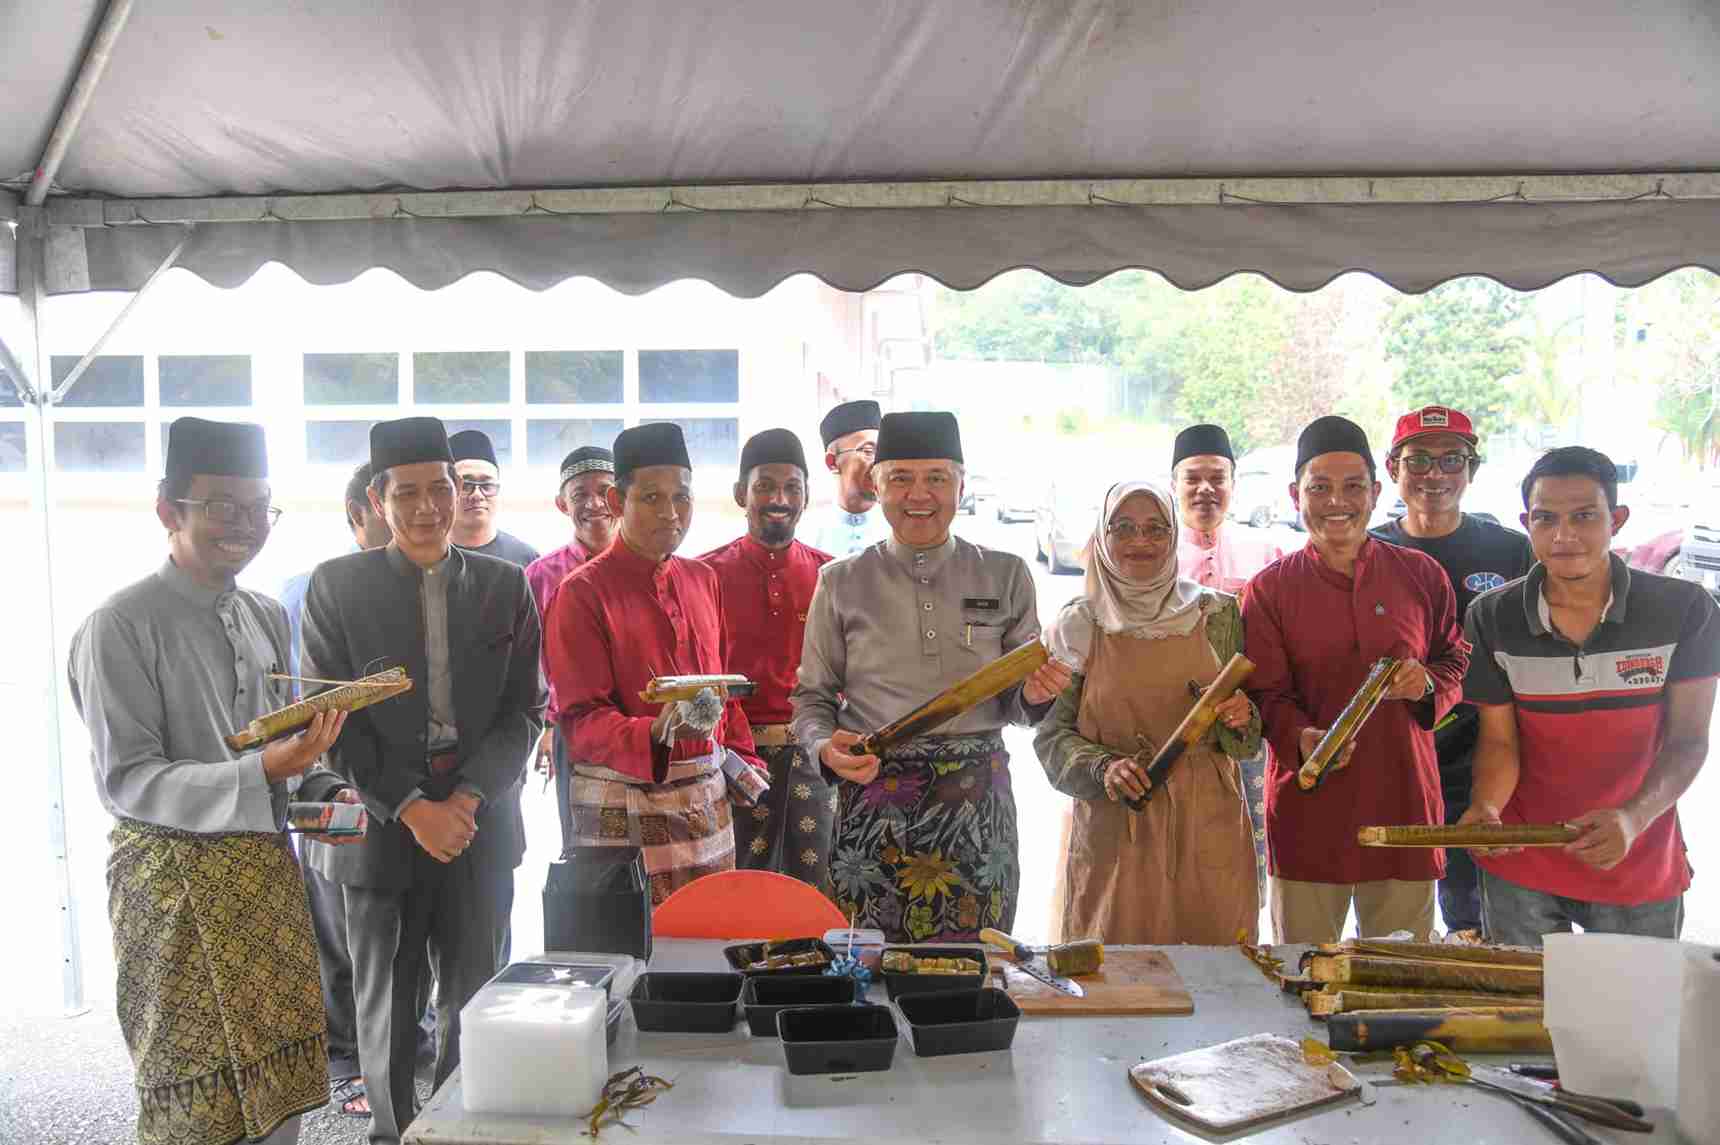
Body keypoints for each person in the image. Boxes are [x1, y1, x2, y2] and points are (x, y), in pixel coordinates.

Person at [68, 416, 361, 1145]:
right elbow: (129, 780)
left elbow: (281, 744)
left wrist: (326, 792)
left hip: (264, 885)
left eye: (259, 508)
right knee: (195, 1102)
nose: (246, 525)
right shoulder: (119, 624)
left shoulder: (264, 612)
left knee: (281, 1089)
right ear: (169, 510)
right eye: (222, 507)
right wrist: (264, 769)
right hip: (173, 893)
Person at [301, 416, 544, 1145]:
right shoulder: (335, 587)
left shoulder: (506, 586)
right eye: (407, 491)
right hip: (381, 828)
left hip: (478, 823)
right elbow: (333, 720)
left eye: (441, 487)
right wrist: (411, 807)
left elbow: (524, 710)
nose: (429, 505)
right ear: (378, 499)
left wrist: (464, 798)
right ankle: (393, 1133)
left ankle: (462, 1132)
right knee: (387, 1007)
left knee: (475, 1001)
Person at [792, 411, 1072, 941]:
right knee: (868, 968)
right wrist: (825, 747)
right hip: (875, 799)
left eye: (936, 478)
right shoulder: (841, 582)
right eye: (900, 478)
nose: (918, 494)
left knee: (975, 966)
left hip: (977, 806)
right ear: (876, 485)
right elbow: (812, 700)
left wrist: (1035, 697)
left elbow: (1020, 699)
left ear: (961, 486)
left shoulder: (1006, 573)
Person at [1458, 446, 1718, 946]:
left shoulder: (1685, 609)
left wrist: (1631, 818)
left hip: (1636, 858)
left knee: (1634, 1019)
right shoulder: (1492, 617)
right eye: (1546, 518)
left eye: (1584, 516)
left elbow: (1689, 742)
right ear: (1526, 523)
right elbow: (1500, 742)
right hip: (1523, 864)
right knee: (1526, 1019)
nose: (1564, 535)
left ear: (1616, 519)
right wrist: (1487, 807)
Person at [1243, 415, 1469, 943]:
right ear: (1295, 494)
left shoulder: (1420, 575)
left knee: (1400, 982)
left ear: (1374, 491)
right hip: (1309, 809)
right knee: (1303, 974)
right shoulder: (1269, 591)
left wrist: (1428, 685)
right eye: (1319, 487)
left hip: (1405, 805)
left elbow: (1456, 660)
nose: (1335, 501)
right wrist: (1300, 736)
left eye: (1351, 487)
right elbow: (1266, 695)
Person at [543, 422, 767, 904]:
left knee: (709, 954)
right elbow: (580, 721)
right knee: (634, 959)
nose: (671, 513)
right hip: (624, 817)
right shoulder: (580, 594)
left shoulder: (703, 579)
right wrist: (656, 733)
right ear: (617, 501)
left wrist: (744, 759)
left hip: (707, 812)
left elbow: (724, 693)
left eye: (681, 497)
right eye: (651, 498)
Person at [1034, 480, 1263, 943]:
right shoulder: (1078, 624)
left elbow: (1247, 739)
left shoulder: (1217, 614)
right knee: (1118, 976)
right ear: (1102, 536)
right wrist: (1103, 769)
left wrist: (1242, 717)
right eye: (1124, 528)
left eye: (1156, 529)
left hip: (1208, 821)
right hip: (1118, 823)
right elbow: (1051, 737)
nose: (1142, 542)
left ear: (1174, 534)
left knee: (1215, 973)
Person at [1369, 405, 1533, 935]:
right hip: (1394, 755)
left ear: (1473, 470)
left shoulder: (1511, 550)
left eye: (1451, 460)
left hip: (1483, 754)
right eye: (1417, 460)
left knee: (1475, 918)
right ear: (1393, 468)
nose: (1434, 475)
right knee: (1394, 914)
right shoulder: (1369, 550)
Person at [277, 460, 396, 1119]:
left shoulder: (426, 584)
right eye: (391, 504)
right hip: (329, 784)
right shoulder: (308, 590)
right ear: (359, 513)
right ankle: (349, 1062)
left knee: (393, 930)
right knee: (340, 926)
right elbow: (291, 703)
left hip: (398, 794)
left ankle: (402, 1046)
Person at [700, 429, 835, 883]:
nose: (779, 498)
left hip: (814, 757)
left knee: (816, 894)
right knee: (738, 887)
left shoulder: (832, 576)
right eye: (764, 486)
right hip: (731, 760)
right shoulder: (703, 575)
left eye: (792, 487)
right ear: (741, 493)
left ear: (806, 496)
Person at [1170, 422, 1284, 900]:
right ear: (1173, 484)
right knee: (1167, 871)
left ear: (1233, 485)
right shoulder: (1148, 555)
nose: (1205, 489)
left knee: (1241, 875)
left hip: (1245, 737)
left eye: (1217, 477)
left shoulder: (1268, 554)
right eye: (1192, 477)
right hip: (1166, 736)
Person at [525, 445, 618, 854]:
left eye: (605, 491)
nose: (594, 503)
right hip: (574, 732)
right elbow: (532, 663)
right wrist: (547, 726)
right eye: (581, 494)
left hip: (643, 726)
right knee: (586, 850)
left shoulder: (654, 564)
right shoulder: (541, 576)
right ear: (563, 504)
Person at [809, 399, 891, 557]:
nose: (878, 462)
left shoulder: (899, 530)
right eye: (868, 451)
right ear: (832, 462)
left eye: (881, 452)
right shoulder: (808, 536)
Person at [449, 428, 540, 568]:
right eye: (466, 485)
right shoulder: (428, 556)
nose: (477, 495)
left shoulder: (527, 559)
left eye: (487, 485)